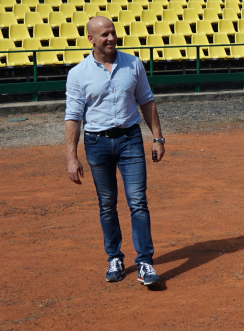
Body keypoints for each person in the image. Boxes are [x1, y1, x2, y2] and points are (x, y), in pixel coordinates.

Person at [65, 15, 166, 287]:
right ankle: (115, 258)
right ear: (91, 39)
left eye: (113, 33)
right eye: (104, 35)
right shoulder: (78, 74)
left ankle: (145, 262)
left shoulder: (133, 64)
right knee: (107, 205)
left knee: (138, 202)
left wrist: (158, 138)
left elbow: (146, 100)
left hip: (130, 140)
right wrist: (71, 158)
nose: (111, 38)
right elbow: (73, 117)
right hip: (96, 144)